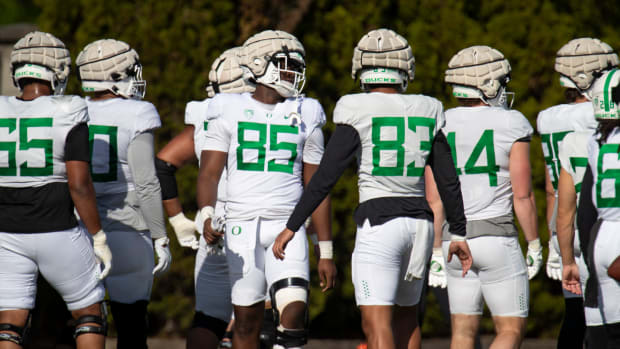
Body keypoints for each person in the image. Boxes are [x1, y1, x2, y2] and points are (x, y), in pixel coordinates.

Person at [271, 29, 473, 349]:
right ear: (404, 68)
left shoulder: (357, 107)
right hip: (420, 225)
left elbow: (325, 176)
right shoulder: (428, 108)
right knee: (407, 321)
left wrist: (291, 226)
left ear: (361, 69)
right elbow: (448, 180)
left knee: (376, 324)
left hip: (380, 224)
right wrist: (459, 232)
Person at [197, 30, 337, 349]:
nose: (294, 73)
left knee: (294, 308)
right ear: (259, 65)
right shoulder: (226, 108)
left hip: (286, 226)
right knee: (246, 322)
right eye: (287, 64)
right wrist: (206, 214)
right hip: (240, 225)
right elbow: (209, 172)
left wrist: (324, 248)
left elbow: (317, 186)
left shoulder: (307, 113)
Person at [0, 31, 112, 349]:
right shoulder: (68, 109)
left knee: (10, 321)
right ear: (58, 70)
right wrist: (98, 236)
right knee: (89, 312)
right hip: (56, 227)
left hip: (6, 231)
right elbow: (78, 183)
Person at [431, 45, 540, 349]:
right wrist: (534, 243)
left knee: (463, 334)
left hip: (452, 238)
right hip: (497, 238)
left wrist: (436, 251)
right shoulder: (511, 122)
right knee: (510, 331)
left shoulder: (439, 121)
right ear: (489, 84)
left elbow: (434, 198)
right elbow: (523, 195)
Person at [155, 47, 256, 349]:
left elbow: (162, 165)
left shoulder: (206, 115)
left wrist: (177, 219)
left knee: (209, 318)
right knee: (259, 319)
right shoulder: (273, 113)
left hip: (213, 222)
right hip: (257, 222)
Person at [75, 38, 171, 349]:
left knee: (87, 325)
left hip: (79, 230)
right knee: (131, 330)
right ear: (115, 75)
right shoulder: (137, 112)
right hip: (128, 229)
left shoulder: (71, 109)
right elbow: (145, 181)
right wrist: (160, 235)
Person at [544, 37, 618, 348]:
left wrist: (554, 245)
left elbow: (555, 194)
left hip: (574, 232)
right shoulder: (594, 130)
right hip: (605, 227)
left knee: (580, 320)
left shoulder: (549, 119)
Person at [562, 68, 620, 348]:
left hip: (601, 237)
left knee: (604, 335)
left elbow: (585, 210)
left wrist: (587, 255)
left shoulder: (597, 141)